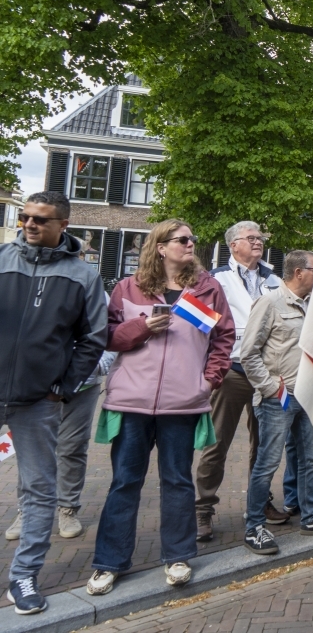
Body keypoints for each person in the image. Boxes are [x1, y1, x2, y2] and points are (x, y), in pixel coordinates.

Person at [87, 219, 235, 597]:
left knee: (178, 481)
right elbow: (109, 337)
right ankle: (110, 562)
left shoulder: (207, 289)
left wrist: (208, 382)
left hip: (183, 403)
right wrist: (143, 328)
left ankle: (178, 556)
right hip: (131, 401)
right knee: (125, 482)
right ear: (161, 247)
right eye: (183, 239)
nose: (191, 244)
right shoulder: (128, 287)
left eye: (192, 238)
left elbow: (223, 339)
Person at [0, 191, 107, 614]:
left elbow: (93, 338)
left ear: (63, 225)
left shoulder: (82, 276)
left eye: (40, 219)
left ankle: (24, 576)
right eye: (26, 217)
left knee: (40, 489)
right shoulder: (1, 260)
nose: (29, 224)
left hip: (38, 401)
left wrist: (63, 386)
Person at [6, 251, 116, 544]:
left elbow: (108, 336)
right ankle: (27, 510)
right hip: (38, 385)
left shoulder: (92, 287)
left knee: (72, 447)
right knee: (32, 450)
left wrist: (98, 367)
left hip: (81, 386)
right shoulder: (32, 286)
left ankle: (67, 508)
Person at [241, 250, 313, 555]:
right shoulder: (269, 303)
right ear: (299, 272)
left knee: (310, 458)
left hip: (310, 396)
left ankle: (311, 517)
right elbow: (248, 353)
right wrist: (271, 387)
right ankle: (254, 527)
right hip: (280, 398)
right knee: (268, 462)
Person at [197, 221, 286, 541]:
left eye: (260, 237)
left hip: (268, 375)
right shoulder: (215, 279)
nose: (258, 242)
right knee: (216, 444)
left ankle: (259, 503)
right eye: (250, 238)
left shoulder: (274, 279)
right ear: (233, 245)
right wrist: (211, 363)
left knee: (264, 446)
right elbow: (196, 322)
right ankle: (203, 509)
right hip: (232, 372)